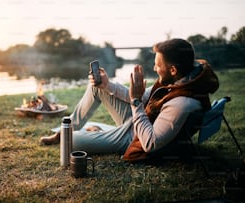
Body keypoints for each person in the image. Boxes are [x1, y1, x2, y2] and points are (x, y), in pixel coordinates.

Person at [39, 38, 219, 162]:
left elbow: (150, 144)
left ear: (173, 70)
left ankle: (82, 135)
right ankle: (66, 131)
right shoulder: (179, 82)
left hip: (136, 136)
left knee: (71, 142)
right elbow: (140, 96)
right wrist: (108, 84)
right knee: (97, 86)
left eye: (158, 65)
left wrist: (135, 101)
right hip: (138, 122)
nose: (155, 68)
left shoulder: (182, 103)